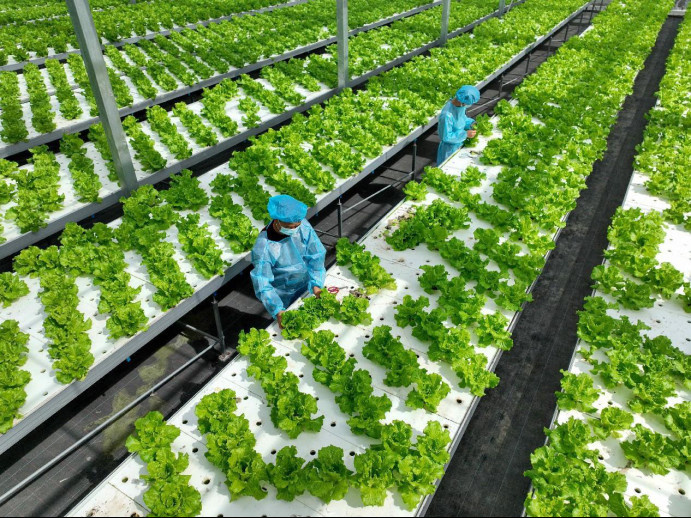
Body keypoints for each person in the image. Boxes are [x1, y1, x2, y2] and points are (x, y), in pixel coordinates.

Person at [250, 195, 326, 328]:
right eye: (289, 226)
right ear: (277, 220)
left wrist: (316, 284)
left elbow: (316, 255)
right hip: (283, 292)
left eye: (296, 225)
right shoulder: (264, 246)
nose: (294, 229)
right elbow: (262, 282)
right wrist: (278, 310)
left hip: (306, 282)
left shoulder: (302, 226)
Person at [436, 85, 481, 165]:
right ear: (463, 102)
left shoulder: (459, 107)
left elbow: (462, 119)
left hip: (459, 143)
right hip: (449, 149)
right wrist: (465, 134)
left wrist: (471, 123)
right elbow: (446, 137)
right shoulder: (447, 115)